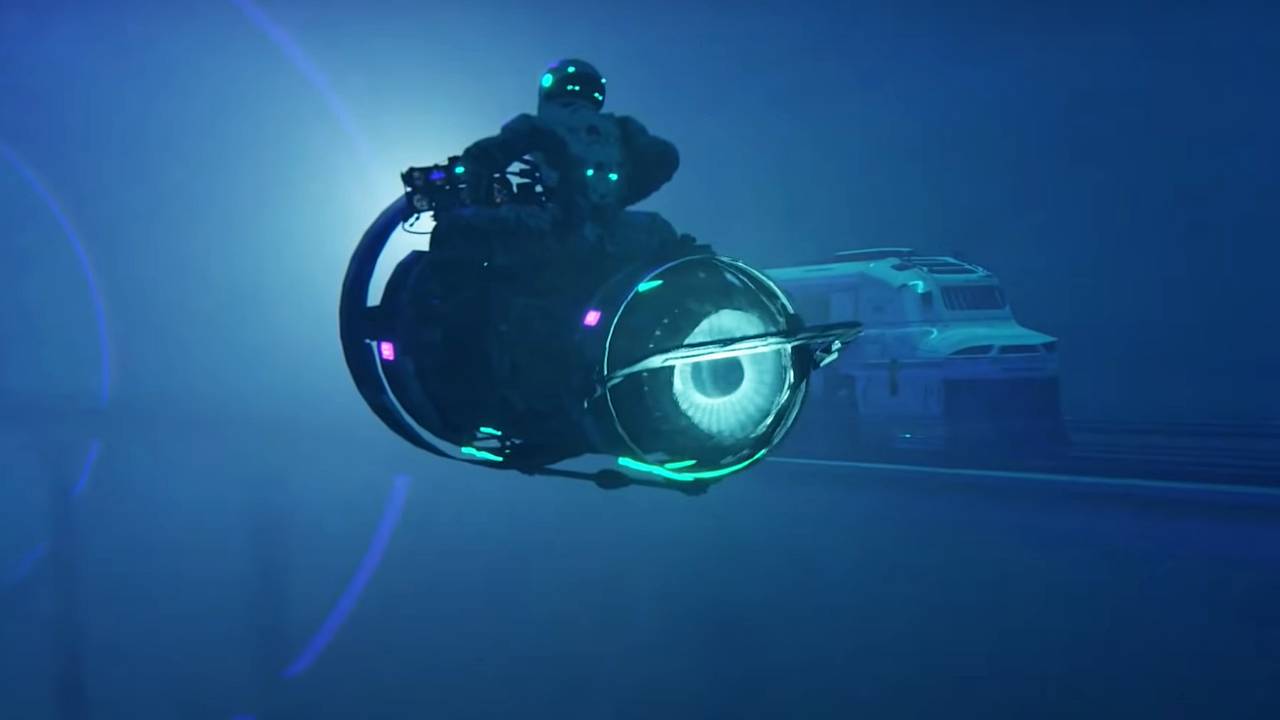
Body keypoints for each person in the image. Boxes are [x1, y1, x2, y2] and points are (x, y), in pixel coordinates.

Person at [432, 58, 689, 272]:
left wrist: (470, 195)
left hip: (557, 226)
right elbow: (664, 157)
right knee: (667, 239)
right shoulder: (622, 127)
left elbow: (482, 156)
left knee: (456, 226)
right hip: (605, 228)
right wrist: (621, 194)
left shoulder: (538, 124)